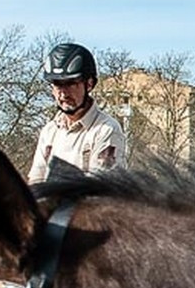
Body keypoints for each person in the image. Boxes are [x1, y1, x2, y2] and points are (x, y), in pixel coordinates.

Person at [27, 42, 128, 183]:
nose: (63, 93)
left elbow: (102, 191)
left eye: (70, 83)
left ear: (89, 84)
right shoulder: (49, 132)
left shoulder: (106, 130)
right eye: (57, 84)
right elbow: (36, 182)